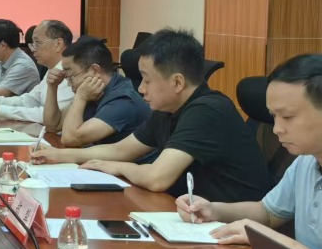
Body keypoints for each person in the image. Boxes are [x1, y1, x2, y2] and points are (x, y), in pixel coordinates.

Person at [33, 28, 272, 201]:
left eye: (147, 80)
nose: (140, 88)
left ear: (177, 82)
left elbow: (158, 178)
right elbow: (121, 150)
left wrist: (116, 167)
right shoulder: (167, 109)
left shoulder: (207, 110)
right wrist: (58, 155)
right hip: (188, 212)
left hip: (229, 226)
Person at [176, 54, 322, 249]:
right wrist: (214, 210)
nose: (277, 128)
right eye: (273, 116)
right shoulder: (306, 161)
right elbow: (268, 213)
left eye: (287, 116)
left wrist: (268, 238)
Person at [0, 19, 75, 123]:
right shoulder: (52, 69)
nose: (32, 48)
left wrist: (0, 110)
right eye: (32, 43)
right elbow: (28, 100)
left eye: (37, 43)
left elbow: (49, 116)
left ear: (58, 44)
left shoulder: (69, 73)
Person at [44, 36, 150, 146]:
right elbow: (53, 125)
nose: (68, 83)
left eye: (71, 76)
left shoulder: (123, 100)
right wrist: (52, 87)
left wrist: (80, 97)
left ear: (94, 70)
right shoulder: (94, 91)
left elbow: (69, 139)